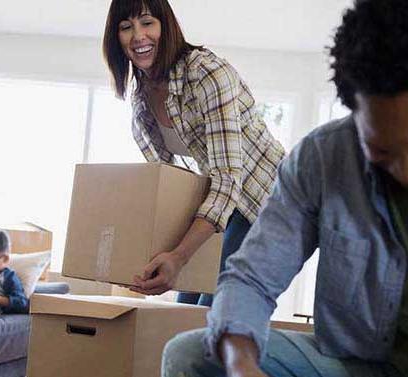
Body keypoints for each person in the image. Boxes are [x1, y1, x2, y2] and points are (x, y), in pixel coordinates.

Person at [161, 0, 408, 377]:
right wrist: (243, 375)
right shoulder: (322, 157)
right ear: (356, 113)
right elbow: (250, 279)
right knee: (191, 360)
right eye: (382, 149)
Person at [102, 0, 286, 306]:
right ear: (116, 38)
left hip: (264, 204)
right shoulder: (141, 103)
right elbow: (168, 188)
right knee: (182, 311)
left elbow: (228, 178)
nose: (138, 36)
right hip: (218, 208)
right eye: (126, 27)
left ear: (165, 25)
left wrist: (179, 256)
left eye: (147, 23)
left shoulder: (207, 73)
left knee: (208, 316)